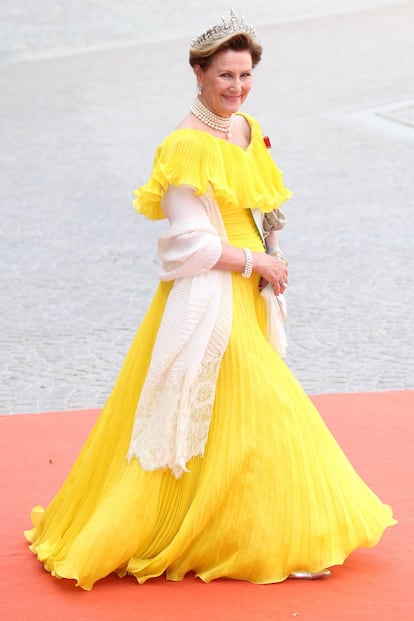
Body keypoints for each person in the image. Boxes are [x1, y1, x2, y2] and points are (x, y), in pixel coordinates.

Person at [25, 10, 395, 590]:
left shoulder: (247, 128)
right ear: (198, 73)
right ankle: (280, 537)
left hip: (249, 289)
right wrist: (257, 260)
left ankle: (239, 525)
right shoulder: (184, 146)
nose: (237, 87)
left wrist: (273, 248)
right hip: (210, 295)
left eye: (245, 75)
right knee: (268, 405)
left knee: (228, 417)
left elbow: (266, 200)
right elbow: (189, 246)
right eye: (224, 75)